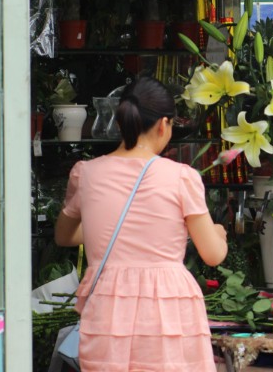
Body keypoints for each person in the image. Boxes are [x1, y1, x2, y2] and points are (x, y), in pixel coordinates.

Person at [55, 77, 227, 371]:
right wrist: (218, 234)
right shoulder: (181, 177)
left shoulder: (86, 173)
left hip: (107, 310)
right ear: (163, 125)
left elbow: (64, 235)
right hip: (167, 311)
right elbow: (213, 254)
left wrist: (107, 232)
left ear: (121, 123)